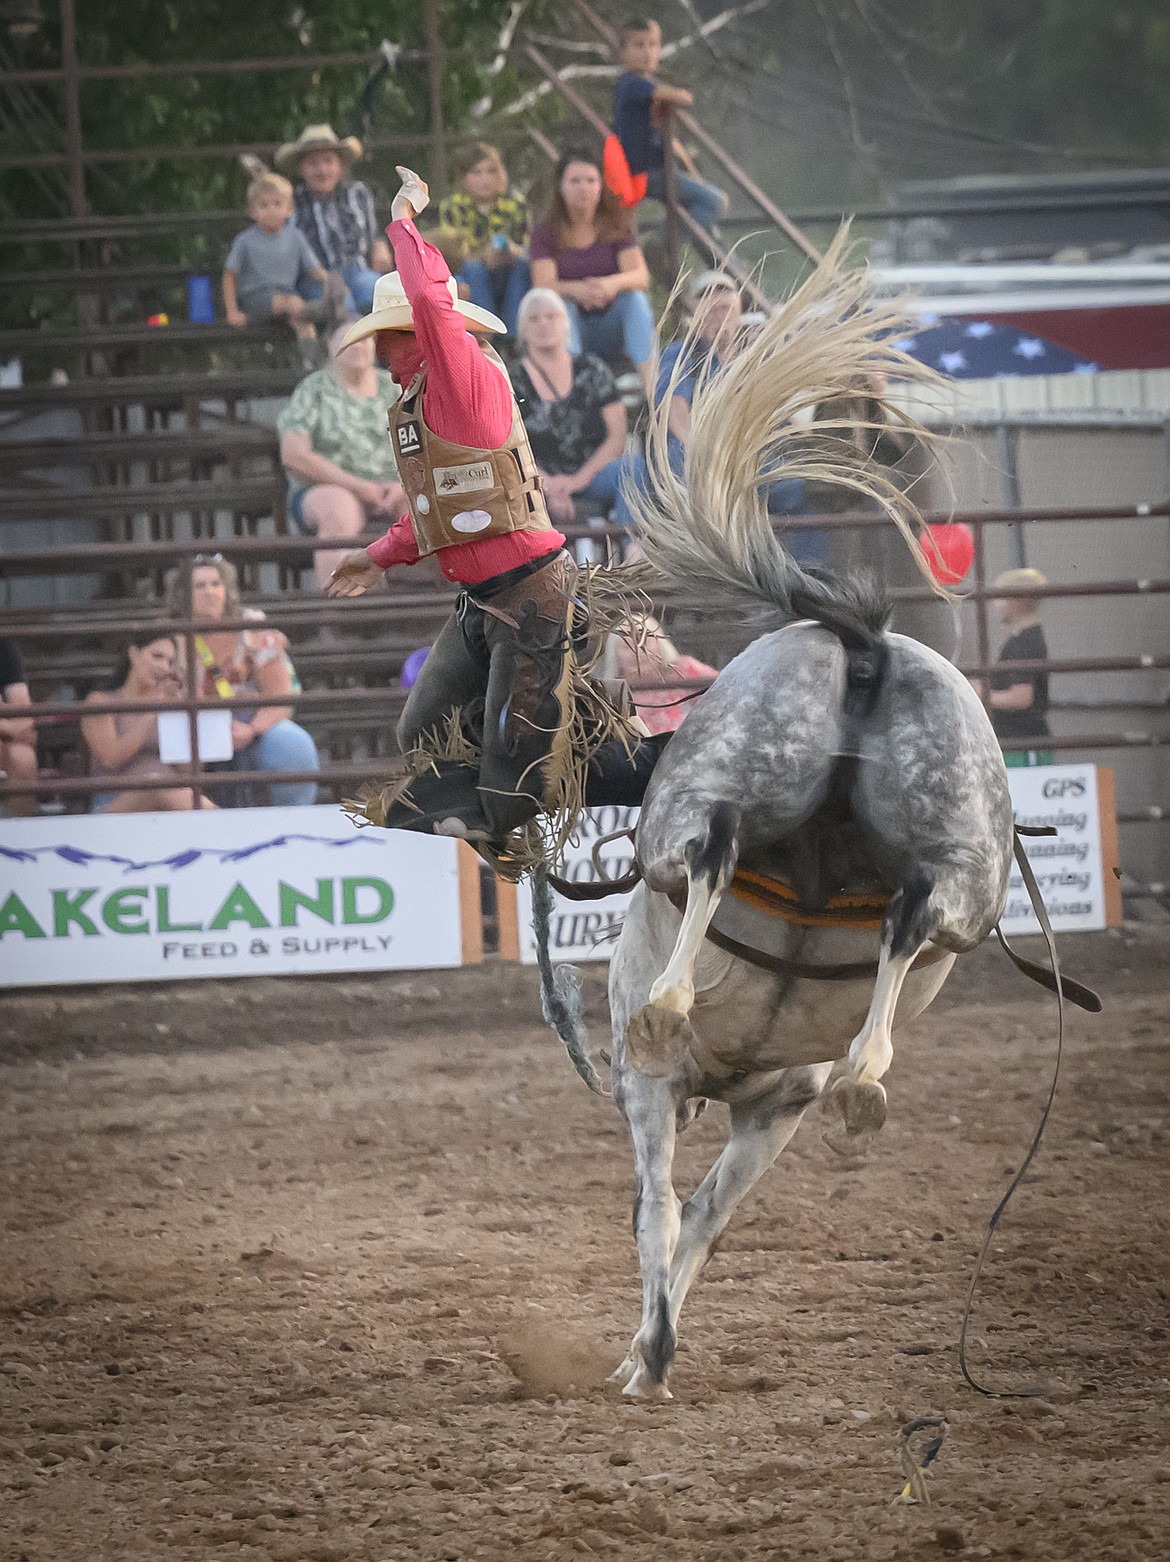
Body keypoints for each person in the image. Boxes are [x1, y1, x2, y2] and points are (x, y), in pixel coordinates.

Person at [324, 166, 651, 858]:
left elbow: (434, 304)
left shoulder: (461, 374)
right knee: (422, 733)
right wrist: (378, 556)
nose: (378, 354)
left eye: (386, 337)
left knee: (514, 788)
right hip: (485, 603)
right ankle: (514, 792)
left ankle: (625, 774)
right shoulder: (422, 401)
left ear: (414, 333)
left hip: (534, 598)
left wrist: (404, 223)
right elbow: (443, 509)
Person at [166, 556, 320, 806]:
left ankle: (294, 823)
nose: (210, 592)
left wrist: (251, 729)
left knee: (293, 745)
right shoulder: (169, 637)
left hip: (253, 722)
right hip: (194, 726)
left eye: (216, 584)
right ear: (182, 594)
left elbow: (280, 694)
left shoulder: (252, 626)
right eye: (199, 586)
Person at [277, 321, 405, 591]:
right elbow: (294, 453)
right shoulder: (314, 389)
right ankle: (338, 615)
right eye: (350, 339)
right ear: (331, 347)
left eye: (367, 338)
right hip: (328, 488)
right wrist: (356, 486)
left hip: (395, 486)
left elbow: (424, 442)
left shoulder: (395, 387)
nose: (360, 345)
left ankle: (419, 608)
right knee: (339, 510)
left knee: (424, 505)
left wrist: (404, 484)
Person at [529, 150, 656, 397]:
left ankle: (651, 385)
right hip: (573, 324)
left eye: (591, 180)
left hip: (612, 322)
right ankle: (573, 391)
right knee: (558, 305)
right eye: (575, 181)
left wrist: (610, 285)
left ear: (601, 186)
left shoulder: (617, 224)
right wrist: (578, 290)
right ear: (560, 187)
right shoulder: (546, 232)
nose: (583, 188)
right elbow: (542, 284)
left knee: (636, 300)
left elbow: (640, 276)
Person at [508, 288, 628, 528]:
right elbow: (506, 444)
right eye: (534, 318)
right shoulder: (509, 379)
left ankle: (634, 550)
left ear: (566, 323)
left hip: (592, 475)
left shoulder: (594, 370)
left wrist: (577, 481)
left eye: (551, 316)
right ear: (522, 329)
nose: (543, 323)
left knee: (632, 468)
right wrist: (547, 484)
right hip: (532, 481)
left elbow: (617, 437)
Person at [613, 17, 728, 234]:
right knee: (715, 201)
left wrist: (694, 175)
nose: (647, 53)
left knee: (703, 208)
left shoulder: (647, 86)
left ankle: (725, 261)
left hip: (655, 170)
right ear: (623, 51)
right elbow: (680, 98)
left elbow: (668, 140)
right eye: (639, 45)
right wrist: (683, 94)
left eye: (653, 45)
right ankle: (659, 244)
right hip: (643, 173)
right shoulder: (632, 83)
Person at [81, 633, 216, 814]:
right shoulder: (101, 701)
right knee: (154, 782)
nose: (164, 667)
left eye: (170, 662)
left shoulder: (169, 703)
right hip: (116, 801)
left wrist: (178, 717)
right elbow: (110, 758)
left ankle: (218, 819)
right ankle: (222, 822)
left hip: (172, 802)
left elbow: (189, 773)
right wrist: (152, 710)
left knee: (163, 784)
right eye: (157, 656)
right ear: (134, 654)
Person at [277, 124, 391, 314]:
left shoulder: (358, 193)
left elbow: (373, 234)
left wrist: (380, 245)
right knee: (341, 305)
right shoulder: (292, 202)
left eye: (328, 161)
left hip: (358, 270)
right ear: (301, 169)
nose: (322, 170)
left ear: (340, 165)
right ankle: (349, 340)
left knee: (379, 295)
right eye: (313, 163)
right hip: (318, 277)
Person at [222, 172, 343, 343]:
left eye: (278, 204)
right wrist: (232, 312)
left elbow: (314, 270)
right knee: (293, 303)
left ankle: (311, 363)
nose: (271, 210)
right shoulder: (245, 240)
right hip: (255, 298)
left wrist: (331, 282)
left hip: (288, 297)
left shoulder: (296, 236)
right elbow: (229, 276)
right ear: (252, 212)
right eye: (263, 205)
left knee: (303, 324)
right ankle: (324, 310)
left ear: (290, 209)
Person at [438, 142, 532, 339]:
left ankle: (513, 338)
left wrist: (511, 251)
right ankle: (487, 333)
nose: (485, 179)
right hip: (469, 271)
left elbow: (528, 247)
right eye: (477, 173)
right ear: (464, 178)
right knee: (473, 268)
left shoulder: (516, 204)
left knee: (523, 266)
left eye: (491, 171)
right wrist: (482, 257)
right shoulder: (452, 207)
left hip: (508, 268)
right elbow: (453, 253)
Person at [985, 567, 1053, 767]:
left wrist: (980, 694)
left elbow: (1022, 697)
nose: (995, 604)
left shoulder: (1025, 643)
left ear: (1015, 600)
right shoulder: (1023, 639)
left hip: (1024, 744)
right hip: (1017, 741)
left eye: (999, 597)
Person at [614, 616, 717, 736]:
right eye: (627, 646)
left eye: (644, 642)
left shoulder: (685, 670)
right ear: (614, 653)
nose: (637, 652)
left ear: (660, 644)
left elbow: (728, 690)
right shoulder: (611, 692)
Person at [0, 637, 37, 817]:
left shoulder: (4, 646)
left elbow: (22, 710)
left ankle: (22, 832)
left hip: (5, 734)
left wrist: (7, 727)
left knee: (23, 758)